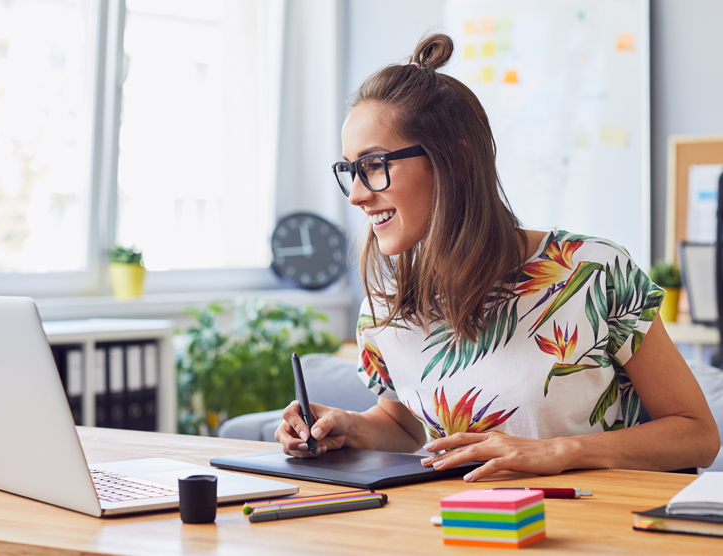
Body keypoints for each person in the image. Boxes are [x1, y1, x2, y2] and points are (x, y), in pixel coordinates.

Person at [275, 34, 720, 480]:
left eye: (373, 165)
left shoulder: (593, 272)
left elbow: (697, 434)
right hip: (460, 527)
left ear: (456, 160)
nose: (355, 195)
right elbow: (404, 425)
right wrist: (349, 427)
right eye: (350, 170)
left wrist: (561, 451)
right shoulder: (385, 305)